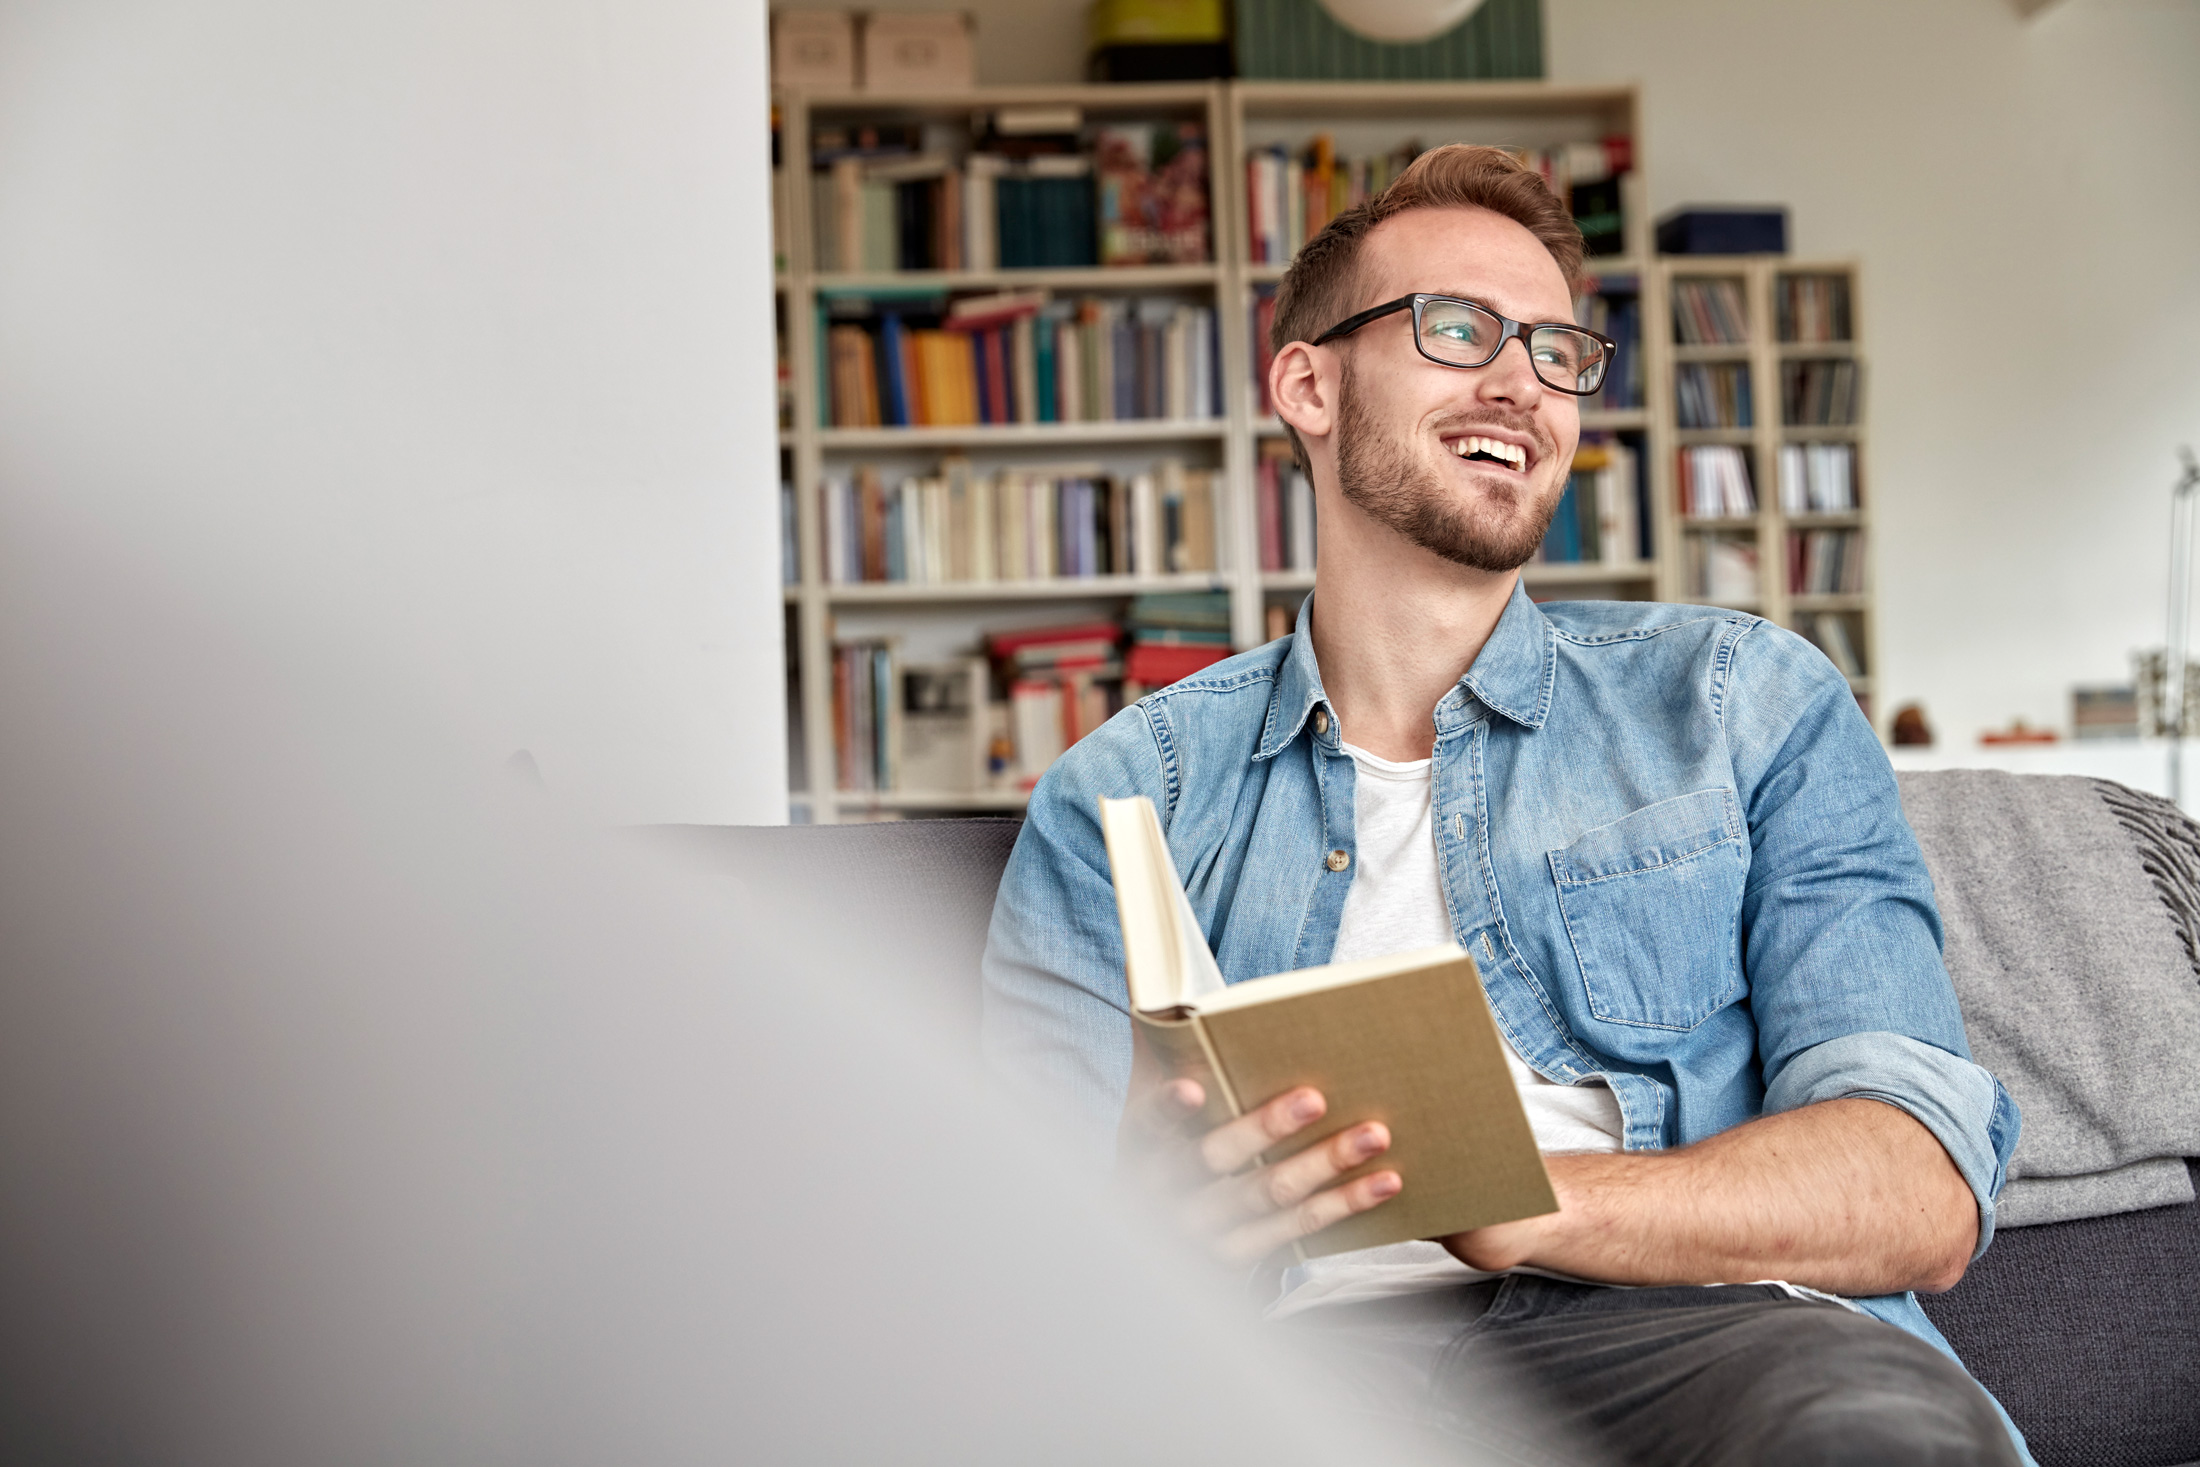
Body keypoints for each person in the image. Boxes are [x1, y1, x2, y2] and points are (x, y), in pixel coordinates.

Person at [981, 144, 2028, 1467]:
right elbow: (1014, 1267)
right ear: (1309, 382)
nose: (1521, 381)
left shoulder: (1745, 702)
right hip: (1306, 1374)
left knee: (1870, 1438)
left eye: (1556, 350)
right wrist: (1152, 1212)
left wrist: (1534, 1205)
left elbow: (1913, 1188)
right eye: (1457, 328)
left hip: (1709, 1341)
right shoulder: (1125, 793)